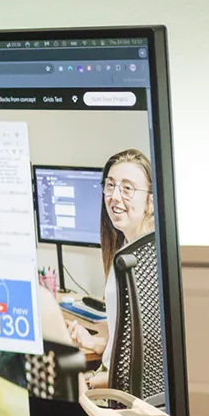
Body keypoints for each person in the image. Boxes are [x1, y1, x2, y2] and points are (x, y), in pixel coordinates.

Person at [66, 149, 157, 388]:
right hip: (111, 376)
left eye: (127, 188)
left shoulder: (146, 263)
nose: (115, 196)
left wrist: (91, 383)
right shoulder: (124, 248)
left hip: (121, 390)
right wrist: (99, 342)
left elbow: (147, 366)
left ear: (151, 200)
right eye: (110, 186)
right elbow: (128, 335)